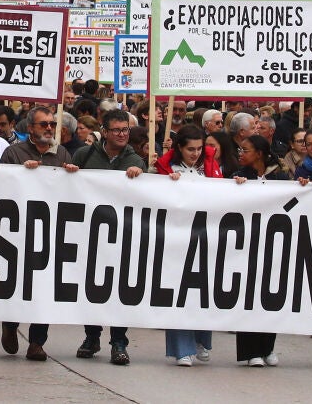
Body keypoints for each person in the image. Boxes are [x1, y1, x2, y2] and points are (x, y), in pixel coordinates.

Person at [0, 105, 79, 361]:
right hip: (19, 230)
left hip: (50, 231)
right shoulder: (13, 153)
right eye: (43, 124)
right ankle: (10, 324)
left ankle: (37, 342)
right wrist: (21, 174)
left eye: (52, 124)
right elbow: (0, 187)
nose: (49, 128)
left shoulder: (62, 153)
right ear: (30, 127)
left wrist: (72, 175)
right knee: (18, 283)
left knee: (44, 287)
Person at [72, 109, 144, 365]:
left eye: (125, 130)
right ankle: (91, 337)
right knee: (91, 288)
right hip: (91, 235)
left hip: (122, 236)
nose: (122, 134)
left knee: (119, 290)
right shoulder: (85, 155)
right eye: (116, 130)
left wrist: (140, 173)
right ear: (104, 132)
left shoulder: (135, 159)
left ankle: (119, 342)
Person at [154, 124, 222, 366]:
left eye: (199, 149)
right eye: (190, 149)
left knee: (203, 291)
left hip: (206, 237)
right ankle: (182, 349)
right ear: (179, 148)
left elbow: (223, 193)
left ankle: (201, 340)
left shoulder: (211, 165)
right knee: (178, 292)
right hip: (176, 239)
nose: (196, 153)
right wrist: (165, 183)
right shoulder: (165, 168)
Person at [230, 134, 290, 367]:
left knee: (270, 296)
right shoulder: (239, 176)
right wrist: (236, 188)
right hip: (247, 245)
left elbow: (292, 202)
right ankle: (250, 352)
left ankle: (268, 347)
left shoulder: (280, 177)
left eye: (245, 150)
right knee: (248, 297)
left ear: (260, 154)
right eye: (240, 150)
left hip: (274, 244)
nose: (241, 154)